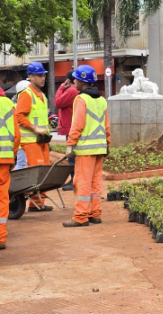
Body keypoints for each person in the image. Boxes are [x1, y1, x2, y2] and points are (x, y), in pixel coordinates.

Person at [63, 65, 110, 227]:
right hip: (100, 148)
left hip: (85, 150)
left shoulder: (81, 99)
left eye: (76, 79)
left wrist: (70, 144)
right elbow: (106, 126)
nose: (74, 81)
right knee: (96, 182)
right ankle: (95, 214)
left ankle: (80, 216)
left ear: (82, 82)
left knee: (82, 182)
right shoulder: (102, 100)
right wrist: (107, 144)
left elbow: (77, 124)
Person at [15, 62, 53, 212]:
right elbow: (18, 115)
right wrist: (34, 128)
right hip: (31, 141)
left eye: (43, 75)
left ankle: (37, 203)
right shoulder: (27, 94)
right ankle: (35, 203)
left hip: (41, 141)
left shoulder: (42, 96)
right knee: (37, 173)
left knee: (43, 172)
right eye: (39, 75)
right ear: (30, 77)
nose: (43, 78)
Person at [0, 85, 21, 250]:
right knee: (1, 198)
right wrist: (11, 155)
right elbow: (16, 135)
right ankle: (0, 238)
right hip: (4, 159)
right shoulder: (7, 103)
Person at [55, 70, 79, 190]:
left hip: (70, 128)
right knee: (74, 155)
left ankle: (74, 181)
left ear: (68, 81)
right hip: (73, 126)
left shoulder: (71, 91)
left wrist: (60, 89)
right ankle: (75, 179)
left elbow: (58, 103)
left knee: (72, 155)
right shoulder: (77, 91)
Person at [12, 80, 30, 170]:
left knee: (22, 163)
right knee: (23, 163)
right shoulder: (19, 105)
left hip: (22, 141)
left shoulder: (14, 105)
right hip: (25, 140)